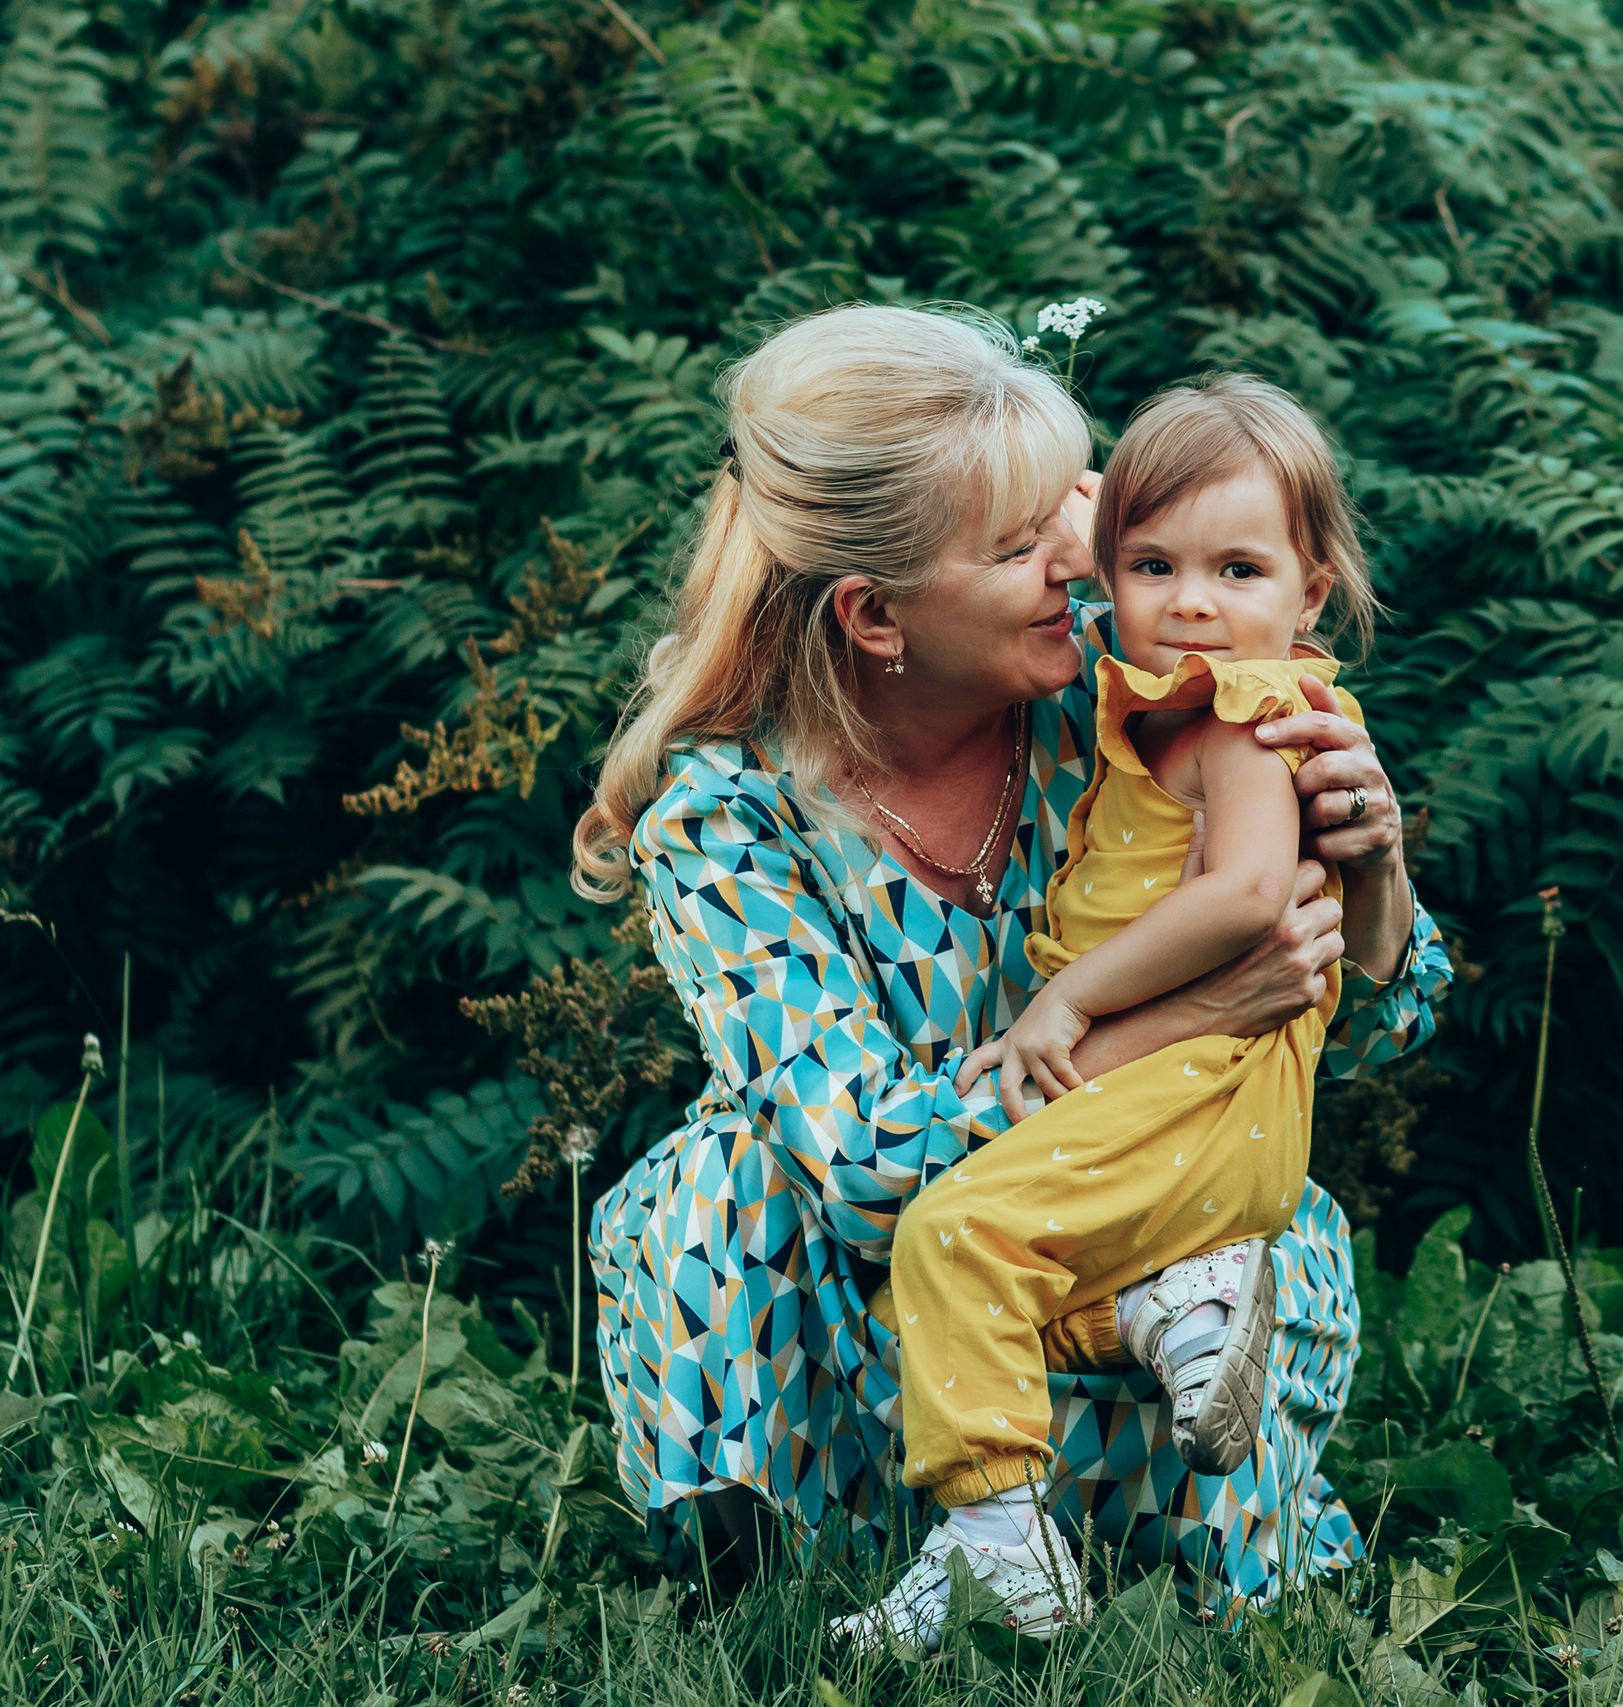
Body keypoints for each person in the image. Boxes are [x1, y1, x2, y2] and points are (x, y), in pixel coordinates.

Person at [570, 304, 1453, 1621]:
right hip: (873, 1291)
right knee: (710, 1188)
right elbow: (867, 1173)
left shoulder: (1142, 686)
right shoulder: (730, 818)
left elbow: (1383, 1024)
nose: (1082, 563)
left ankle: (1147, 1551)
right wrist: (1192, 1006)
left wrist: (1370, 860)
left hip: (1132, 1242)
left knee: (1240, 1224)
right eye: (1022, 541)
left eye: (1073, 513)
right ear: (876, 615)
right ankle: (783, 1573)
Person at [837, 375, 1393, 1648]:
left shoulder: (1252, 715)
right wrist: (1107, 532)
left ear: (1312, 597)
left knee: (948, 1240)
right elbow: (1156, 555)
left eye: (1240, 571)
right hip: (1193, 1089)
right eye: (1152, 565)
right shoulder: (1175, 688)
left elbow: (1254, 898)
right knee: (1011, 1268)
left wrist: (1067, 1003)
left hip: (1192, 1089)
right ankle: (1184, 1301)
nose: (1191, 601)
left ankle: (998, 1544)